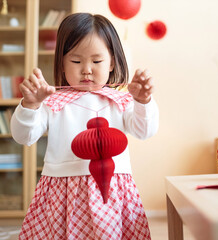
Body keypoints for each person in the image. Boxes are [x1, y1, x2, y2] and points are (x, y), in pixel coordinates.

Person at [11, 12, 159, 239]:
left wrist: (143, 101)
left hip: (113, 190)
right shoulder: (52, 102)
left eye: (97, 61)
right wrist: (30, 105)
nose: (87, 69)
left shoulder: (121, 100)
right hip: (63, 192)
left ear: (112, 63)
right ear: (61, 63)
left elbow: (145, 131)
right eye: (76, 61)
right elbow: (24, 136)